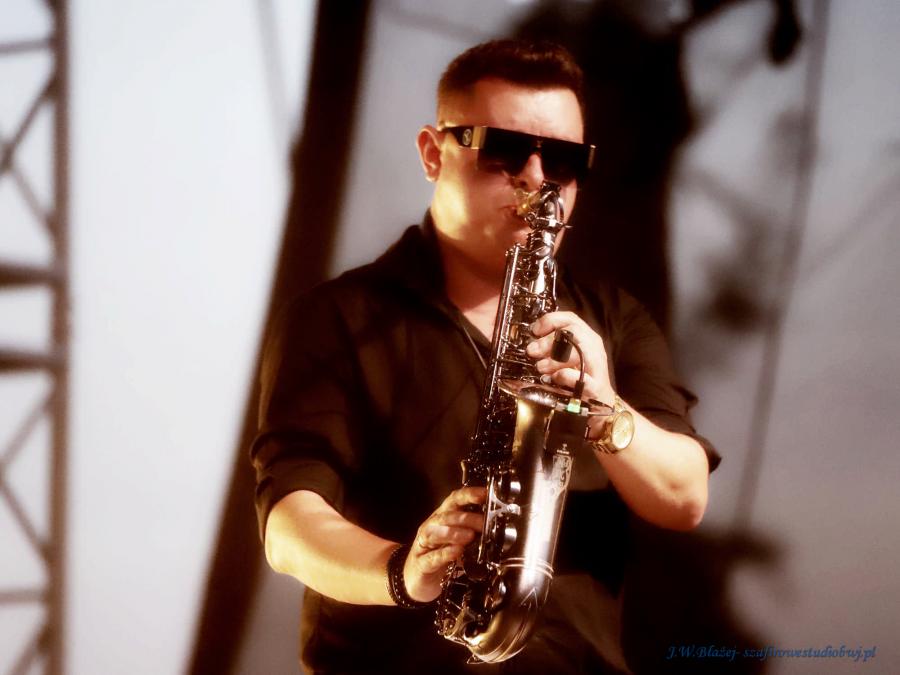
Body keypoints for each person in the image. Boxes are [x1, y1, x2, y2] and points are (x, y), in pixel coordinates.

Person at [251, 39, 719, 674]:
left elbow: (685, 497)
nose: (536, 178)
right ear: (432, 152)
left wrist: (606, 409)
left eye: (563, 160)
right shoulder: (334, 317)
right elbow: (289, 527)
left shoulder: (613, 318)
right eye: (504, 150)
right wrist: (402, 571)